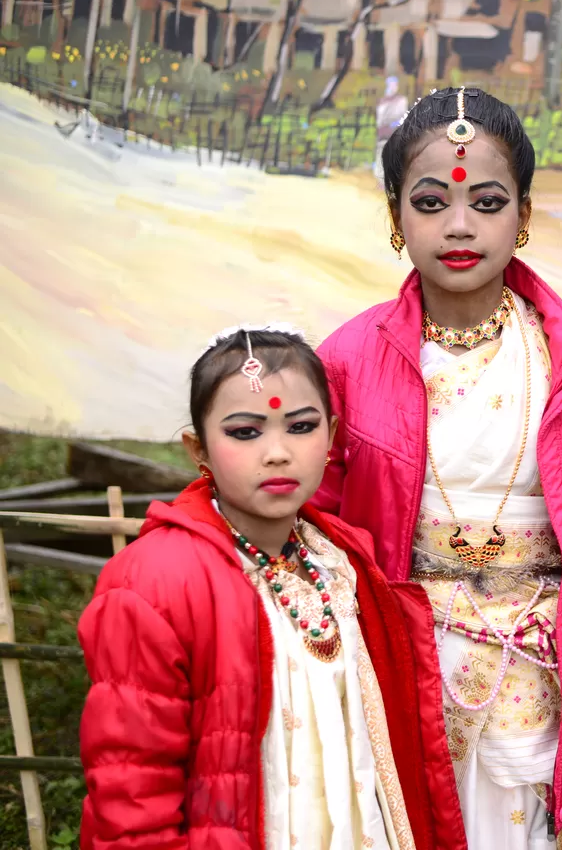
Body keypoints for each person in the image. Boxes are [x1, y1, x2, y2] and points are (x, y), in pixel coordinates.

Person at [313, 85, 562, 849]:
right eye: (430, 203)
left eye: (488, 202)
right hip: (398, 662)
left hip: (541, 669)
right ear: (394, 216)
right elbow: (321, 531)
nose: (459, 226)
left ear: (524, 216)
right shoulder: (343, 364)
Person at [78, 325, 463, 850]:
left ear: (331, 435)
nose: (278, 453)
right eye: (244, 432)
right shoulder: (153, 582)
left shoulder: (343, 560)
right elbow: (132, 790)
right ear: (199, 449)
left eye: (301, 426)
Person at [375, 76, 409, 183]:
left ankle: (393, 180)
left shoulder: (401, 100)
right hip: (383, 134)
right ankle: (381, 180)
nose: (392, 87)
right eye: (390, 84)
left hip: (395, 134)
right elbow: (379, 118)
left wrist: (395, 125)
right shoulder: (382, 101)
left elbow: (402, 116)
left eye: (394, 84)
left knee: (394, 158)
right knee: (381, 155)